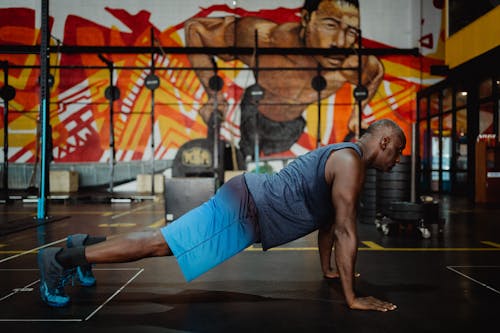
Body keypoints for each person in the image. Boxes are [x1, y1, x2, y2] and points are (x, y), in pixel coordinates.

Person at [38, 118, 404, 312]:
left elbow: (327, 224)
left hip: (248, 203)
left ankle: (80, 246)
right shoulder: (351, 161)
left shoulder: (345, 158)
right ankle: (60, 259)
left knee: (165, 244)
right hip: (246, 210)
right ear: (384, 141)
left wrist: (329, 270)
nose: (397, 161)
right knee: (160, 243)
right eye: (397, 152)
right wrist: (352, 297)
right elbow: (343, 230)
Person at [184, 0, 384, 158]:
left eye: (351, 31)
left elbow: (375, 74)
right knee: (244, 164)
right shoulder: (264, 40)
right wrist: (214, 95)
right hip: (254, 116)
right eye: (330, 25)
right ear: (306, 18)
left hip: (292, 128)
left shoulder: (352, 62)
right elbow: (196, 29)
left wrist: (356, 114)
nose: (340, 42)